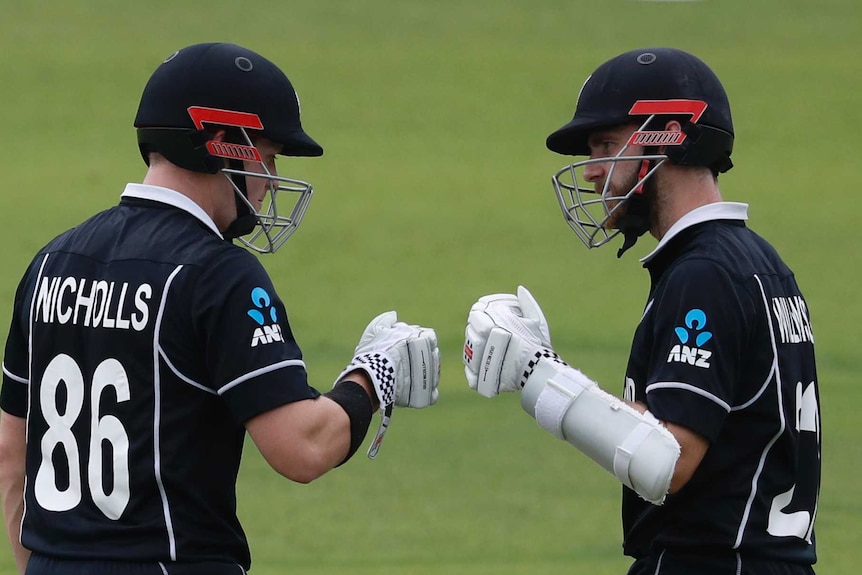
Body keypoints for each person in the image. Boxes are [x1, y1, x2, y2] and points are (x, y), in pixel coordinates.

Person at [0, 42, 440, 575]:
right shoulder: (217, 275)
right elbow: (301, 447)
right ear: (223, 143)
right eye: (268, 157)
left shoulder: (51, 262)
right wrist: (372, 377)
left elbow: (10, 454)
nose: (271, 181)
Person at [463, 47, 820, 574]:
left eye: (606, 146)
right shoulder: (759, 263)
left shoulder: (704, 275)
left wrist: (540, 374)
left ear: (667, 138)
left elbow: (667, 460)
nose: (590, 173)